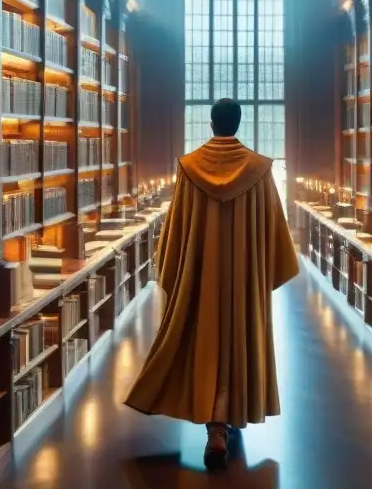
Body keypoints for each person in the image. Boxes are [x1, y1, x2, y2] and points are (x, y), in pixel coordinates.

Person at [125, 98, 299, 469]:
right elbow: (274, 232)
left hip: (201, 275)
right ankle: (226, 418)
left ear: (210, 124)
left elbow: (176, 233)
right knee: (238, 336)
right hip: (243, 275)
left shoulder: (189, 169)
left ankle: (215, 425)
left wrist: (176, 269)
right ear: (238, 124)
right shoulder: (259, 169)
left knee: (203, 339)